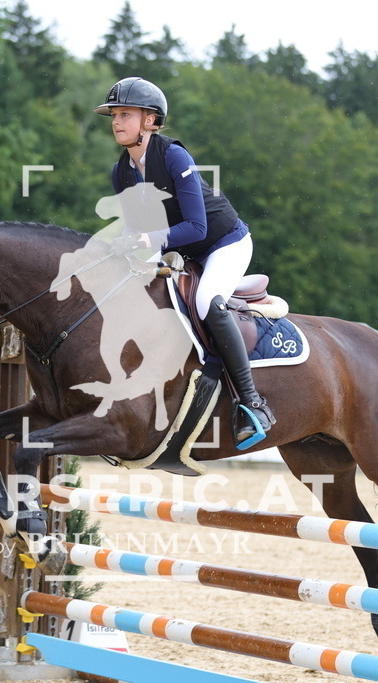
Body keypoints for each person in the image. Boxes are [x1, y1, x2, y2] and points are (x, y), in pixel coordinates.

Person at [93, 76, 275, 449]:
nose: (116, 121)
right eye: (114, 115)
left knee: (208, 301)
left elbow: (196, 226)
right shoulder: (122, 171)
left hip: (225, 243)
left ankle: (252, 403)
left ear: (149, 120)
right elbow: (136, 226)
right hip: (186, 251)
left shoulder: (173, 156)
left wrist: (147, 240)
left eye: (125, 114)